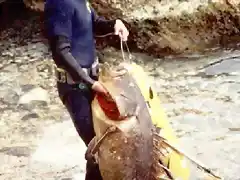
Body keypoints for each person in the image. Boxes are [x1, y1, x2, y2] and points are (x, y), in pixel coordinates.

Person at [43, 0, 129, 179]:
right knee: (98, 148)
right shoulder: (59, 3)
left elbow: (93, 25)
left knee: (111, 144)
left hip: (92, 81)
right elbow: (60, 52)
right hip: (75, 87)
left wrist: (114, 24)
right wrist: (89, 82)